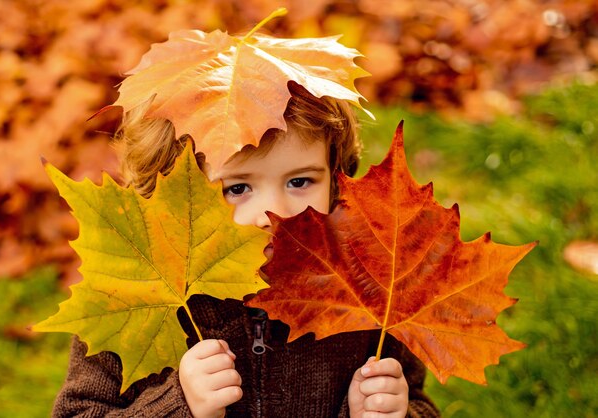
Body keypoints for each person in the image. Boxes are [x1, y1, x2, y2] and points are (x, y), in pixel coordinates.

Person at [52, 68, 440, 418]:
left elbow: (417, 400)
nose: (274, 214)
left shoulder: (371, 294)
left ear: (337, 180)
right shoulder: (131, 299)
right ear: (172, 197)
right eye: (237, 188)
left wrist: (395, 413)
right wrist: (179, 405)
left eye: (300, 182)